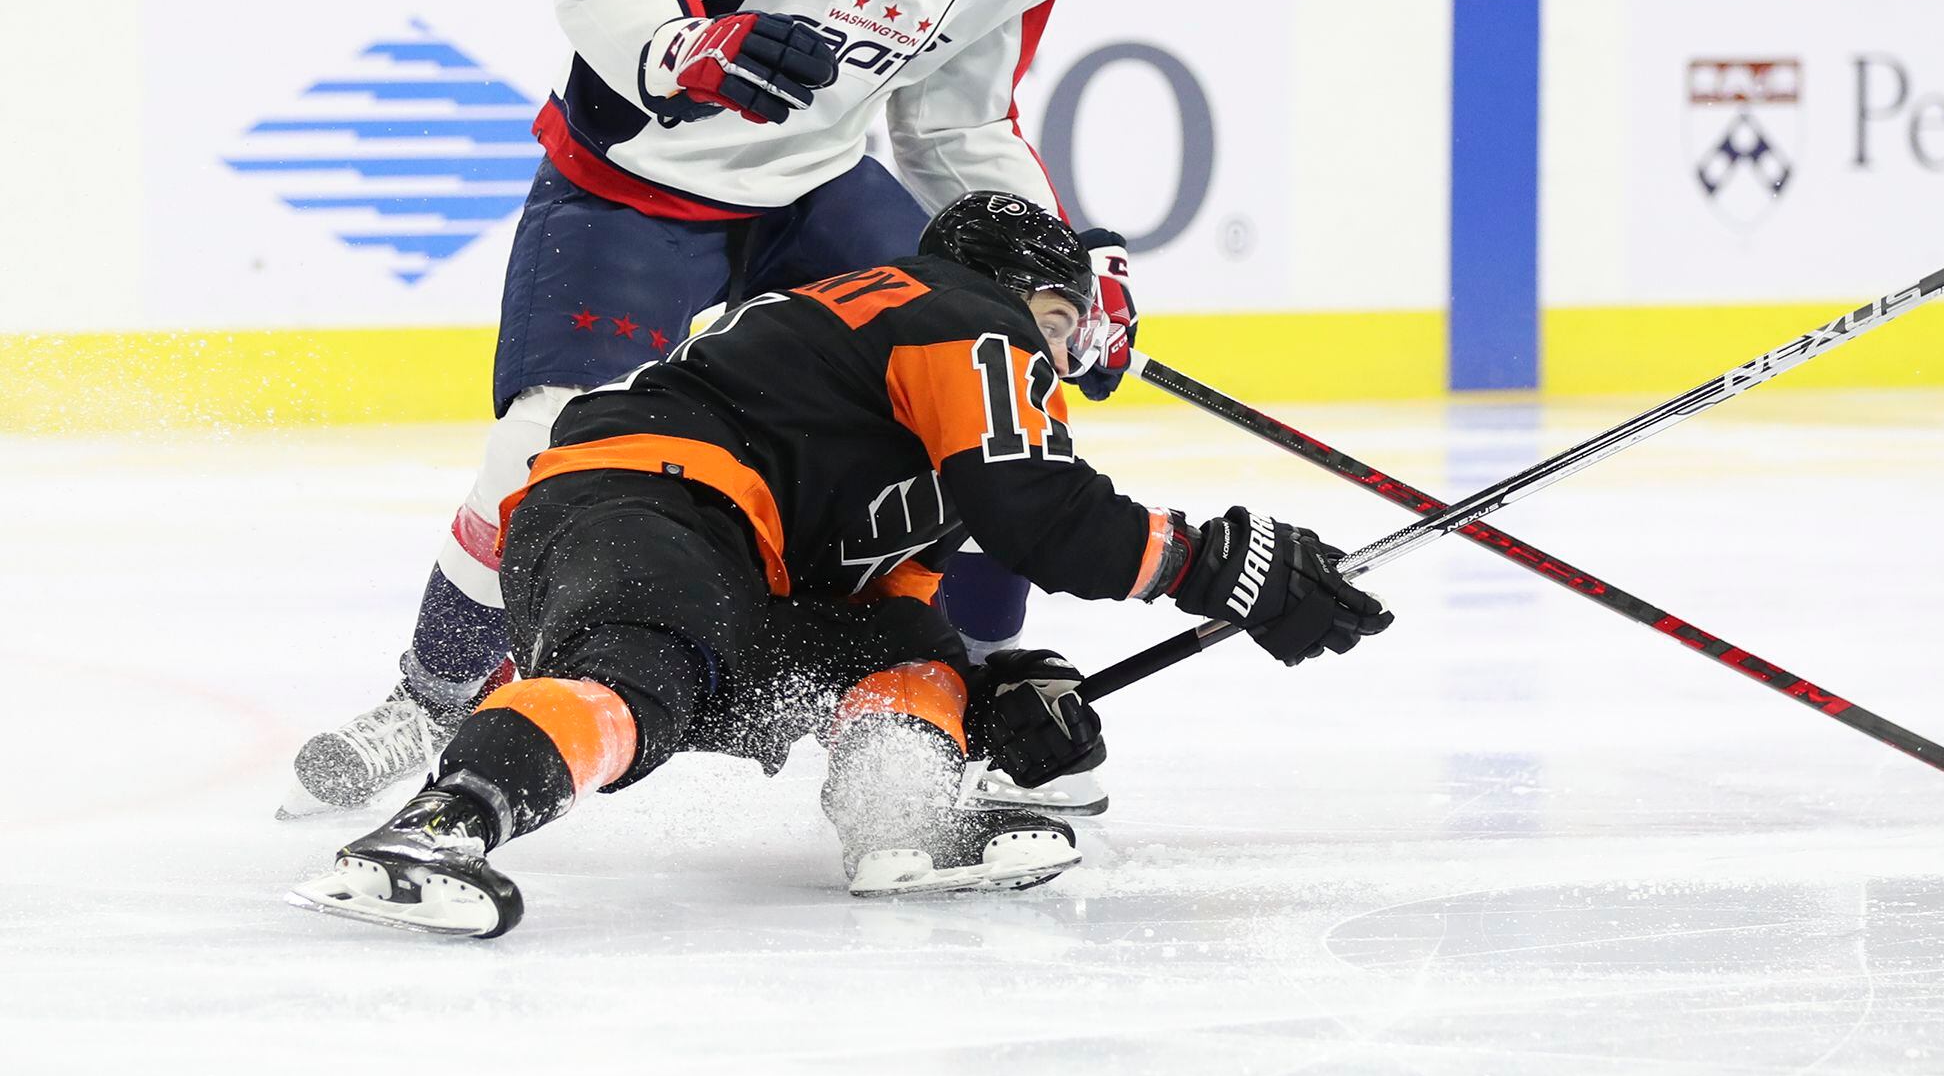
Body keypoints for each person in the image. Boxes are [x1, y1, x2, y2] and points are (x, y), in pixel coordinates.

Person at [284, 0, 1144, 824]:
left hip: (818, 189)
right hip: (640, 183)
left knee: (993, 377)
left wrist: (1060, 268)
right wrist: (686, 52)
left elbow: (958, 124)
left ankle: (959, 702)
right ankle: (428, 697)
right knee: (542, 447)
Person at [289, 194, 1392, 936]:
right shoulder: (962, 316)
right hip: (658, 498)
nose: (1062, 351)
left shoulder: (910, 398)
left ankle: (895, 823)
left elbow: (890, 599)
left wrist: (990, 705)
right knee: (640, 675)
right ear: (1010, 288)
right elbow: (1044, 516)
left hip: (704, 538)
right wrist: (1221, 565)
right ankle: (436, 825)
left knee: (913, 661)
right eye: (1059, 315)